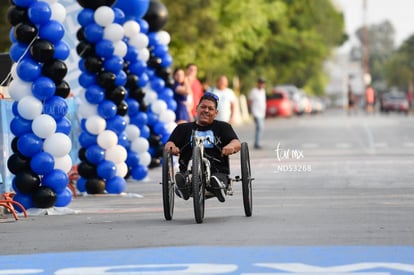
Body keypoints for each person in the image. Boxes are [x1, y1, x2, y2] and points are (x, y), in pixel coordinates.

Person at [164, 92, 241, 203]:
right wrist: (172, 148)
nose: (206, 110)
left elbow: (236, 143)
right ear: (197, 108)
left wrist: (230, 147)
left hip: (217, 171)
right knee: (183, 177)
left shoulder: (223, 127)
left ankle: (219, 187)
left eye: (210, 109)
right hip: (188, 170)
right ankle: (183, 187)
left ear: (216, 113)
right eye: (203, 107)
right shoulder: (183, 128)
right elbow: (169, 144)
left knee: (216, 179)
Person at [248, 77, 267, 149]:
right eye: (260, 83)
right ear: (258, 83)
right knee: (260, 127)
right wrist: (250, 110)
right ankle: (257, 143)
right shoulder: (254, 91)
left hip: (262, 113)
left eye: (263, 83)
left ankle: (257, 142)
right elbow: (250, 101)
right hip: (256, 112)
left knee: (260, 128)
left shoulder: (263, 91)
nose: (262, 85)